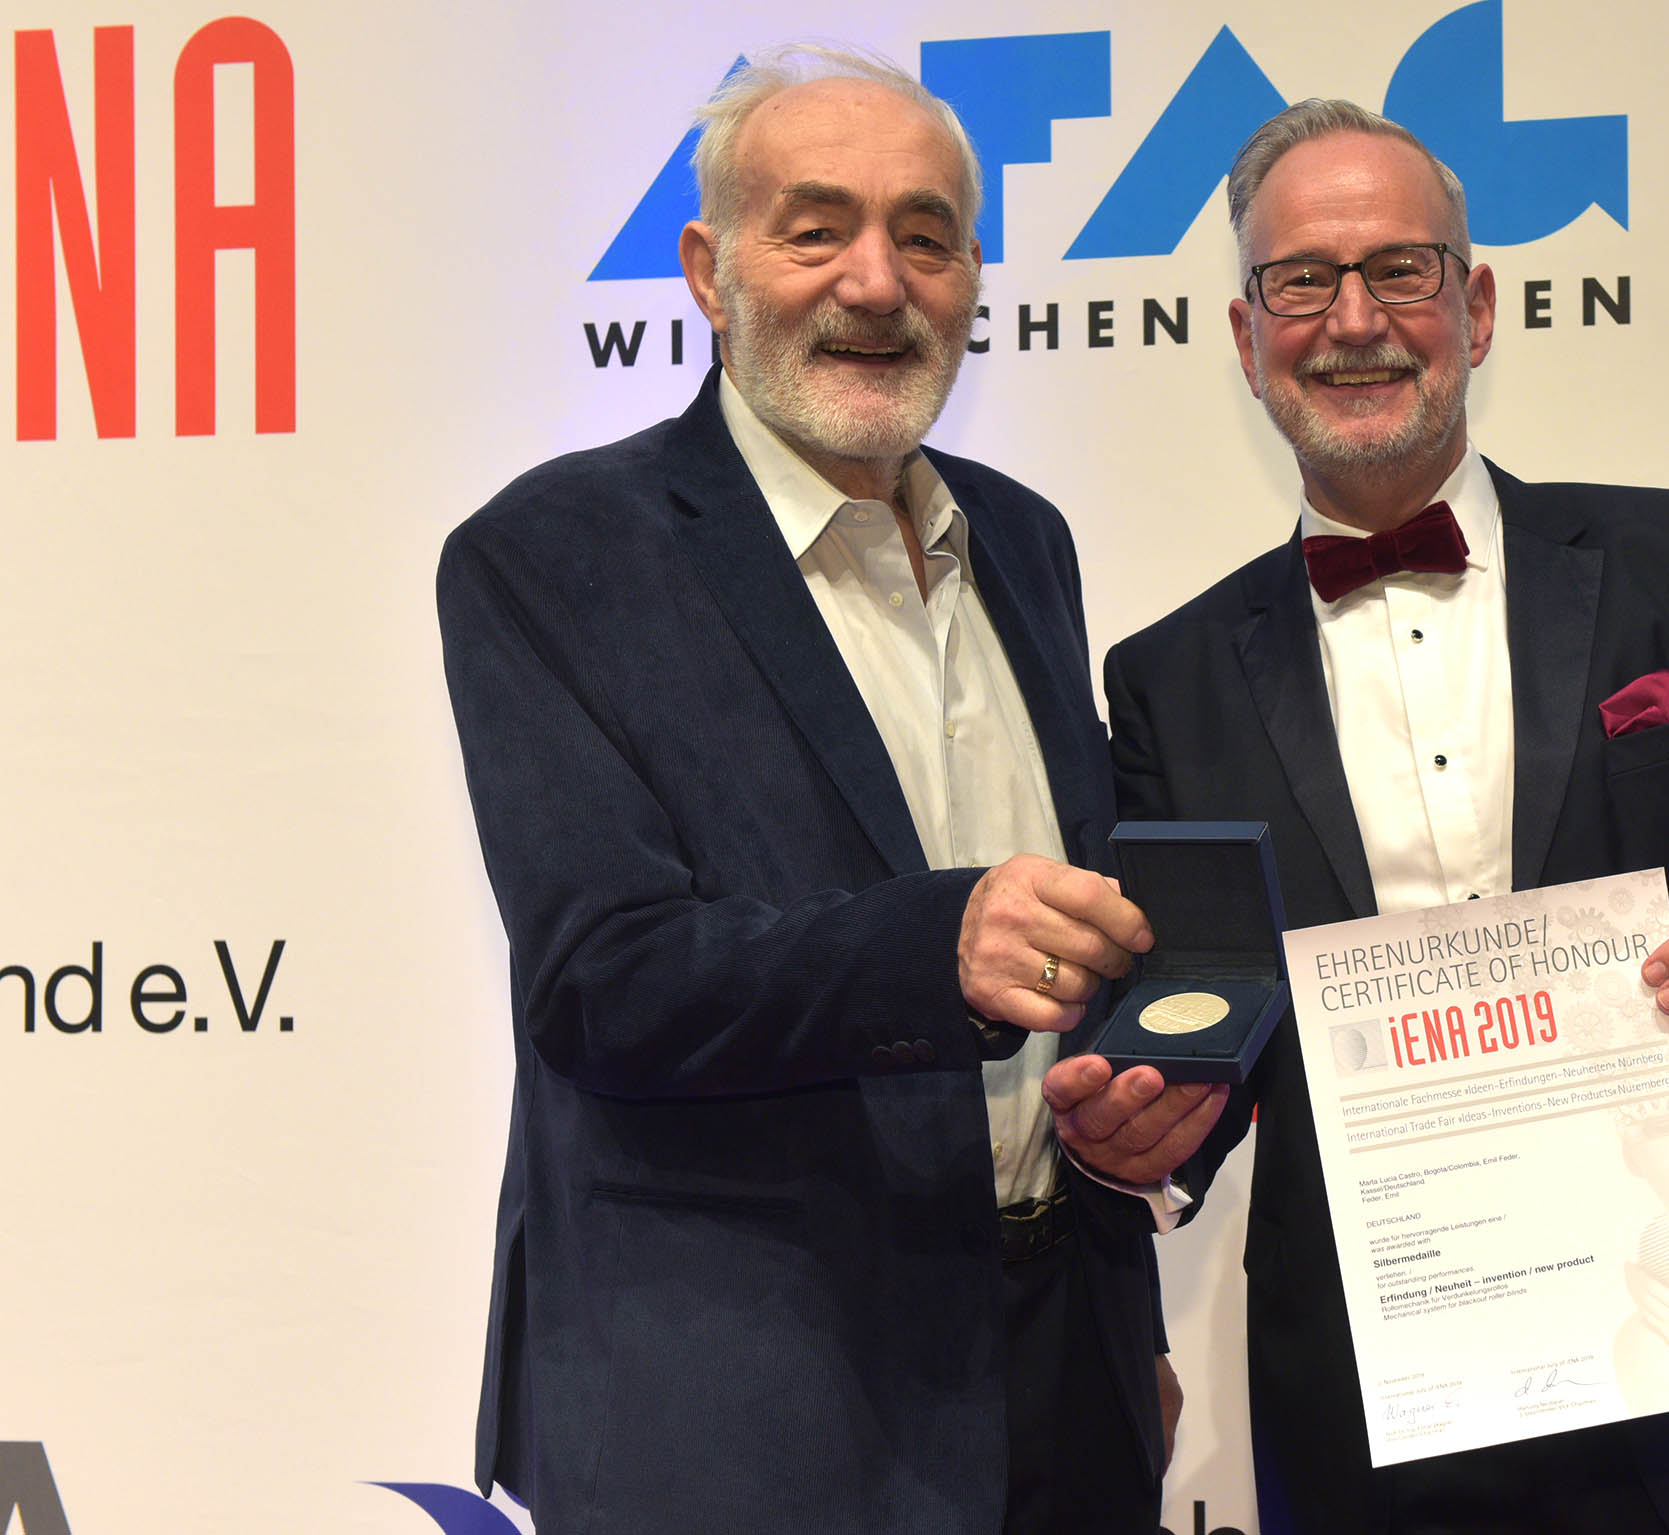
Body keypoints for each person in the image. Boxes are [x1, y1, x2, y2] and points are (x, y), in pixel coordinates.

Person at [1069, 99, 1669, 1534]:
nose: (1355, 319)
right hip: (1383, 1388)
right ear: (1246, 337)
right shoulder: (1166, 678)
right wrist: (1151, 1136)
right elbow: (1199, 1010)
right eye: (1302, 280)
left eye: (1399, 269)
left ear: (1475, 308)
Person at [437, 47, 1207, 1535]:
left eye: (926, 236)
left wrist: (1134, 1254)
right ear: (708, 272)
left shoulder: (1024, 539)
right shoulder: (553, 554)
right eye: (817, 229)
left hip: (1069, 1378)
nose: (877, 281)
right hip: (747, 1407)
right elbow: (602, 978)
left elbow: (1085, 914)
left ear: (972, 279)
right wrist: (938, 945)